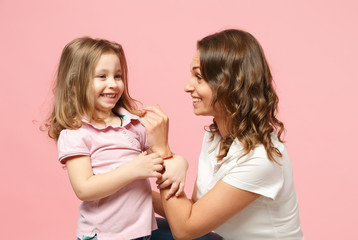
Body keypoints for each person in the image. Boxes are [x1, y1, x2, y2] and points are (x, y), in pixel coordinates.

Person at [142, 29, 304, 239]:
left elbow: (186, 228)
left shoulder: (261, 158)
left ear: (230, 84)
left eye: (199, 77)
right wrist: (130, 191)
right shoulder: (215, 135)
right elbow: (192, 209)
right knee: (140, 226)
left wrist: (163, 151)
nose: (187, 86)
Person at [45, 37, 184, 240]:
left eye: (117, 76)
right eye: (102, 76)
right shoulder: (75, 133)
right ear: (75, 83)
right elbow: (84, 189)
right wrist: (133, 170)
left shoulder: (133, 124)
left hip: (143, 231)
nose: (113, 84)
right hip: (105, 235)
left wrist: (180, 163)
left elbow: (162, 155)